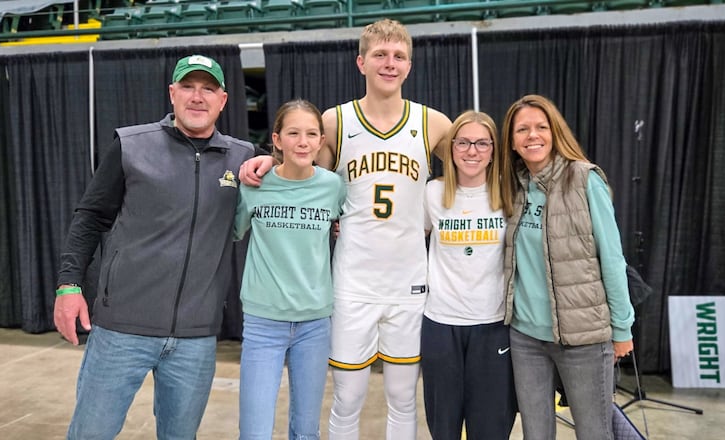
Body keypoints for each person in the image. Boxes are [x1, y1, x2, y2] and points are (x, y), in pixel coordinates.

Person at [239, 18, 452, 440]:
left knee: (403, 397)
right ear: (361, 62)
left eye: (398, 57)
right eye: (380, 55)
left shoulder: (433, 123)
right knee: (348, 397)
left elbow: (476, 166)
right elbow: (300, 169)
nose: (389, 64)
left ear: (409, 65)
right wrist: (265, 160)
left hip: (409, 282)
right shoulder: (336, 121)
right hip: (352, 282)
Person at [53, 54, 258, 439]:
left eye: (208, 89)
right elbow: (90, 216)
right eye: (188, 87)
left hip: (195, 338)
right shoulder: (132, 145)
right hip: (121, 330)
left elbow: (292, 190)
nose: (197, 97)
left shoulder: (243, 157)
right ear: (172, 93)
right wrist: (69, 285)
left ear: (223, 100)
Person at [499, 94, 635, 440]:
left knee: (593, 433)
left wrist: (622, 328)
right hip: (526, 338)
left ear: (555, 132)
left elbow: (613, 259)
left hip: (583, 339)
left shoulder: (584, 179)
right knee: (536, 434)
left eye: (541, 127)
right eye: (522, 130)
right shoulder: (512, 187)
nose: (532, 135)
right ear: (512, 142)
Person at [233, 99, 346, 440]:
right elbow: (232, 231)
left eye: (311, 134)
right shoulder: (255, 184)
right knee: (254, 432)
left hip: (314, 323)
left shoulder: (333, 187)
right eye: (293, 133)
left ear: (321, 141)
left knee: (306, 431)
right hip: (263, 323)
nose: (303, 141)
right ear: (277, 140)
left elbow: (347, 225)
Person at [421, 110, 517, 440]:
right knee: (443, 429)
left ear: (493, 150)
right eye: (462, 142)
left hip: (493, 326)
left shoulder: (509, 193)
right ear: (450, 148)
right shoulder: (432, 193)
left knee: (490, 430)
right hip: (440, 324)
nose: (471, 151)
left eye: (481, 143)